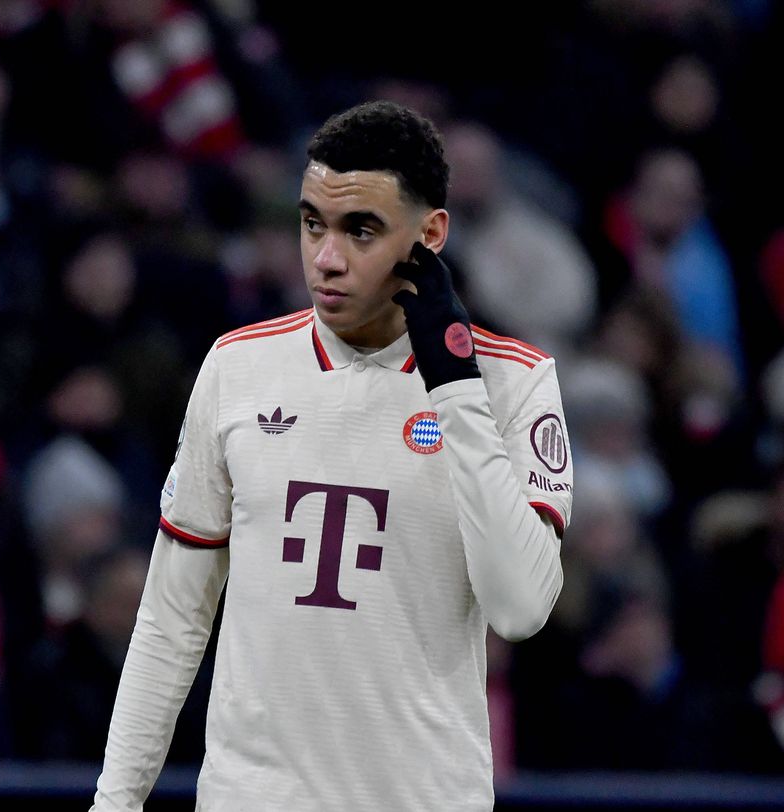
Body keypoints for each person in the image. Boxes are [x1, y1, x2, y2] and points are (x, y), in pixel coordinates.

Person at [89, 100, 572, 811]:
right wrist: (115, 801)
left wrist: (454, 388)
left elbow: (520, 608)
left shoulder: (514, 382)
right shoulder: (238, 366)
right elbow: (172, 617)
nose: (325, 258)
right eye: (313, 223)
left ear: (430, 235)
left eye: (360, 230)